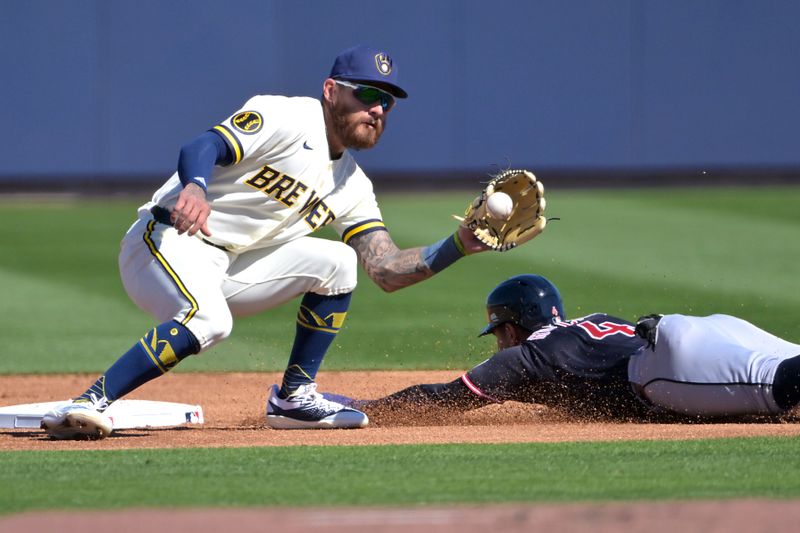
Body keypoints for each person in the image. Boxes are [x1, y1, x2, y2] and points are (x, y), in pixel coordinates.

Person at [41, 44, 491, 440]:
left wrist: (460, 243)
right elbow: (202, 145)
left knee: (338, 262)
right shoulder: (288, 116)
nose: (377, 109)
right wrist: (195, 187)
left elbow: (387, 269)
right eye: (368, 94)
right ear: (332, 90)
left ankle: (294, 398)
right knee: (211, 321)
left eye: (387, 102)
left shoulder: (352, 185)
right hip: (167, 240)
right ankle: (89, 402)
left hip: (232, 266)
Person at [355, 274, 800, 422]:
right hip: (716, 330)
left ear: (513, 327)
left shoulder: (526, 358)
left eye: (498, 332)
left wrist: (366, 408)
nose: (499, 342)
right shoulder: (587, 327)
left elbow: (444, 399)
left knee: (782, 387)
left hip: (670, 367)